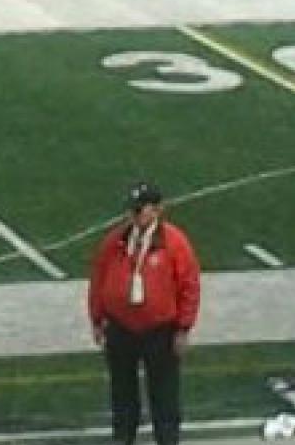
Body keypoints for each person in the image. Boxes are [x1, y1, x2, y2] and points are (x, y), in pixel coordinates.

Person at [87, 182, 202, 445]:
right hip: (120, 328)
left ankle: (168, 441)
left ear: (157, 210)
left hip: (160, 331)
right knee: (122, 394)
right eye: (131, 211)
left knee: (164, 396)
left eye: (139, 211)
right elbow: (99, 278)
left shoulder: (174, 243)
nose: (133, 217)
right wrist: (97, 319)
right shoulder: (116, 241)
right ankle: (123, 439)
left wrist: (183, 328)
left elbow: (189, 286)